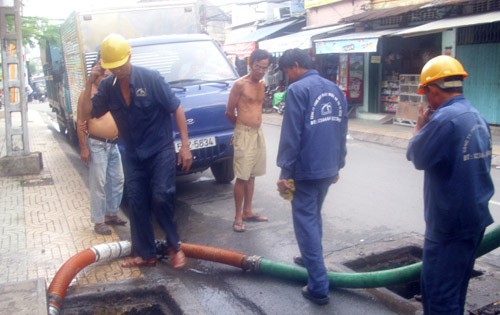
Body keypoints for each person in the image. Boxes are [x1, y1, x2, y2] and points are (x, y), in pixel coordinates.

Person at [80, 33, 193, 269]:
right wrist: (90, 82)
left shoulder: (151, 79)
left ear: (129, 57)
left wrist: (185, 146)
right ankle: (146, 254)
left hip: (160, 149)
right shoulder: (108, 88)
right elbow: (87, 113)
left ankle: (174, 246)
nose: (118, 71)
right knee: (137, 202)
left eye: (121, 65)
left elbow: (177, 109)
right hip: (132, 152)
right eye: (113, 67)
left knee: (162, 196)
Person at [407, 55, 494, 315]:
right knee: (456, 288)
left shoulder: (444, 120)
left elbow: (417, 156)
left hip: (448, 225)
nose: (426, 100)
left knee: (438, 295)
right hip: (474, 219)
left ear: (433, 90)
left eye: (426, 94)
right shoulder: (476, 116)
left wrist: (420, 126)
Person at [276, 48, 348, 305]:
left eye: (287, 71)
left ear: (295, 65)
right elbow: (343, 128)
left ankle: (318, 285)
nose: (288, 77)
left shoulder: (297, 90)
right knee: (313, 214)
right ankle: (309, 259)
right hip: (327, 167)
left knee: (305, 221)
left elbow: (291, 133)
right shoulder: (334, 88)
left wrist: (285, 172)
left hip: (305, 170)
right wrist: (339, 164)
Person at [76, 58, 126, 236]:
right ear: (95, 73)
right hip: (97, 144)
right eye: (102, 73)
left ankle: (111, 214)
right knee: (99, 184)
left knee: (118, 179)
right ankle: (98, 221)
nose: (106, 76)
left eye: (108, 73)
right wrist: (84, 147)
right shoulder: (87, 93)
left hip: (113, 144)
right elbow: (80, 122)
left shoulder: (111, 91)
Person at [225, 49, 271, 232]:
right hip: (243, 133)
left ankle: (248, 211)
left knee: (252, 174)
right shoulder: (240, 85)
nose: (261, 71)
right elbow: (229, 112)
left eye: (265, 68)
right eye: (259, 67)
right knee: (242, 177)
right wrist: (239, 130)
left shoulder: (262, 85)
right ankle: (237, 216)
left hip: (258, 133)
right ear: (252, 64)